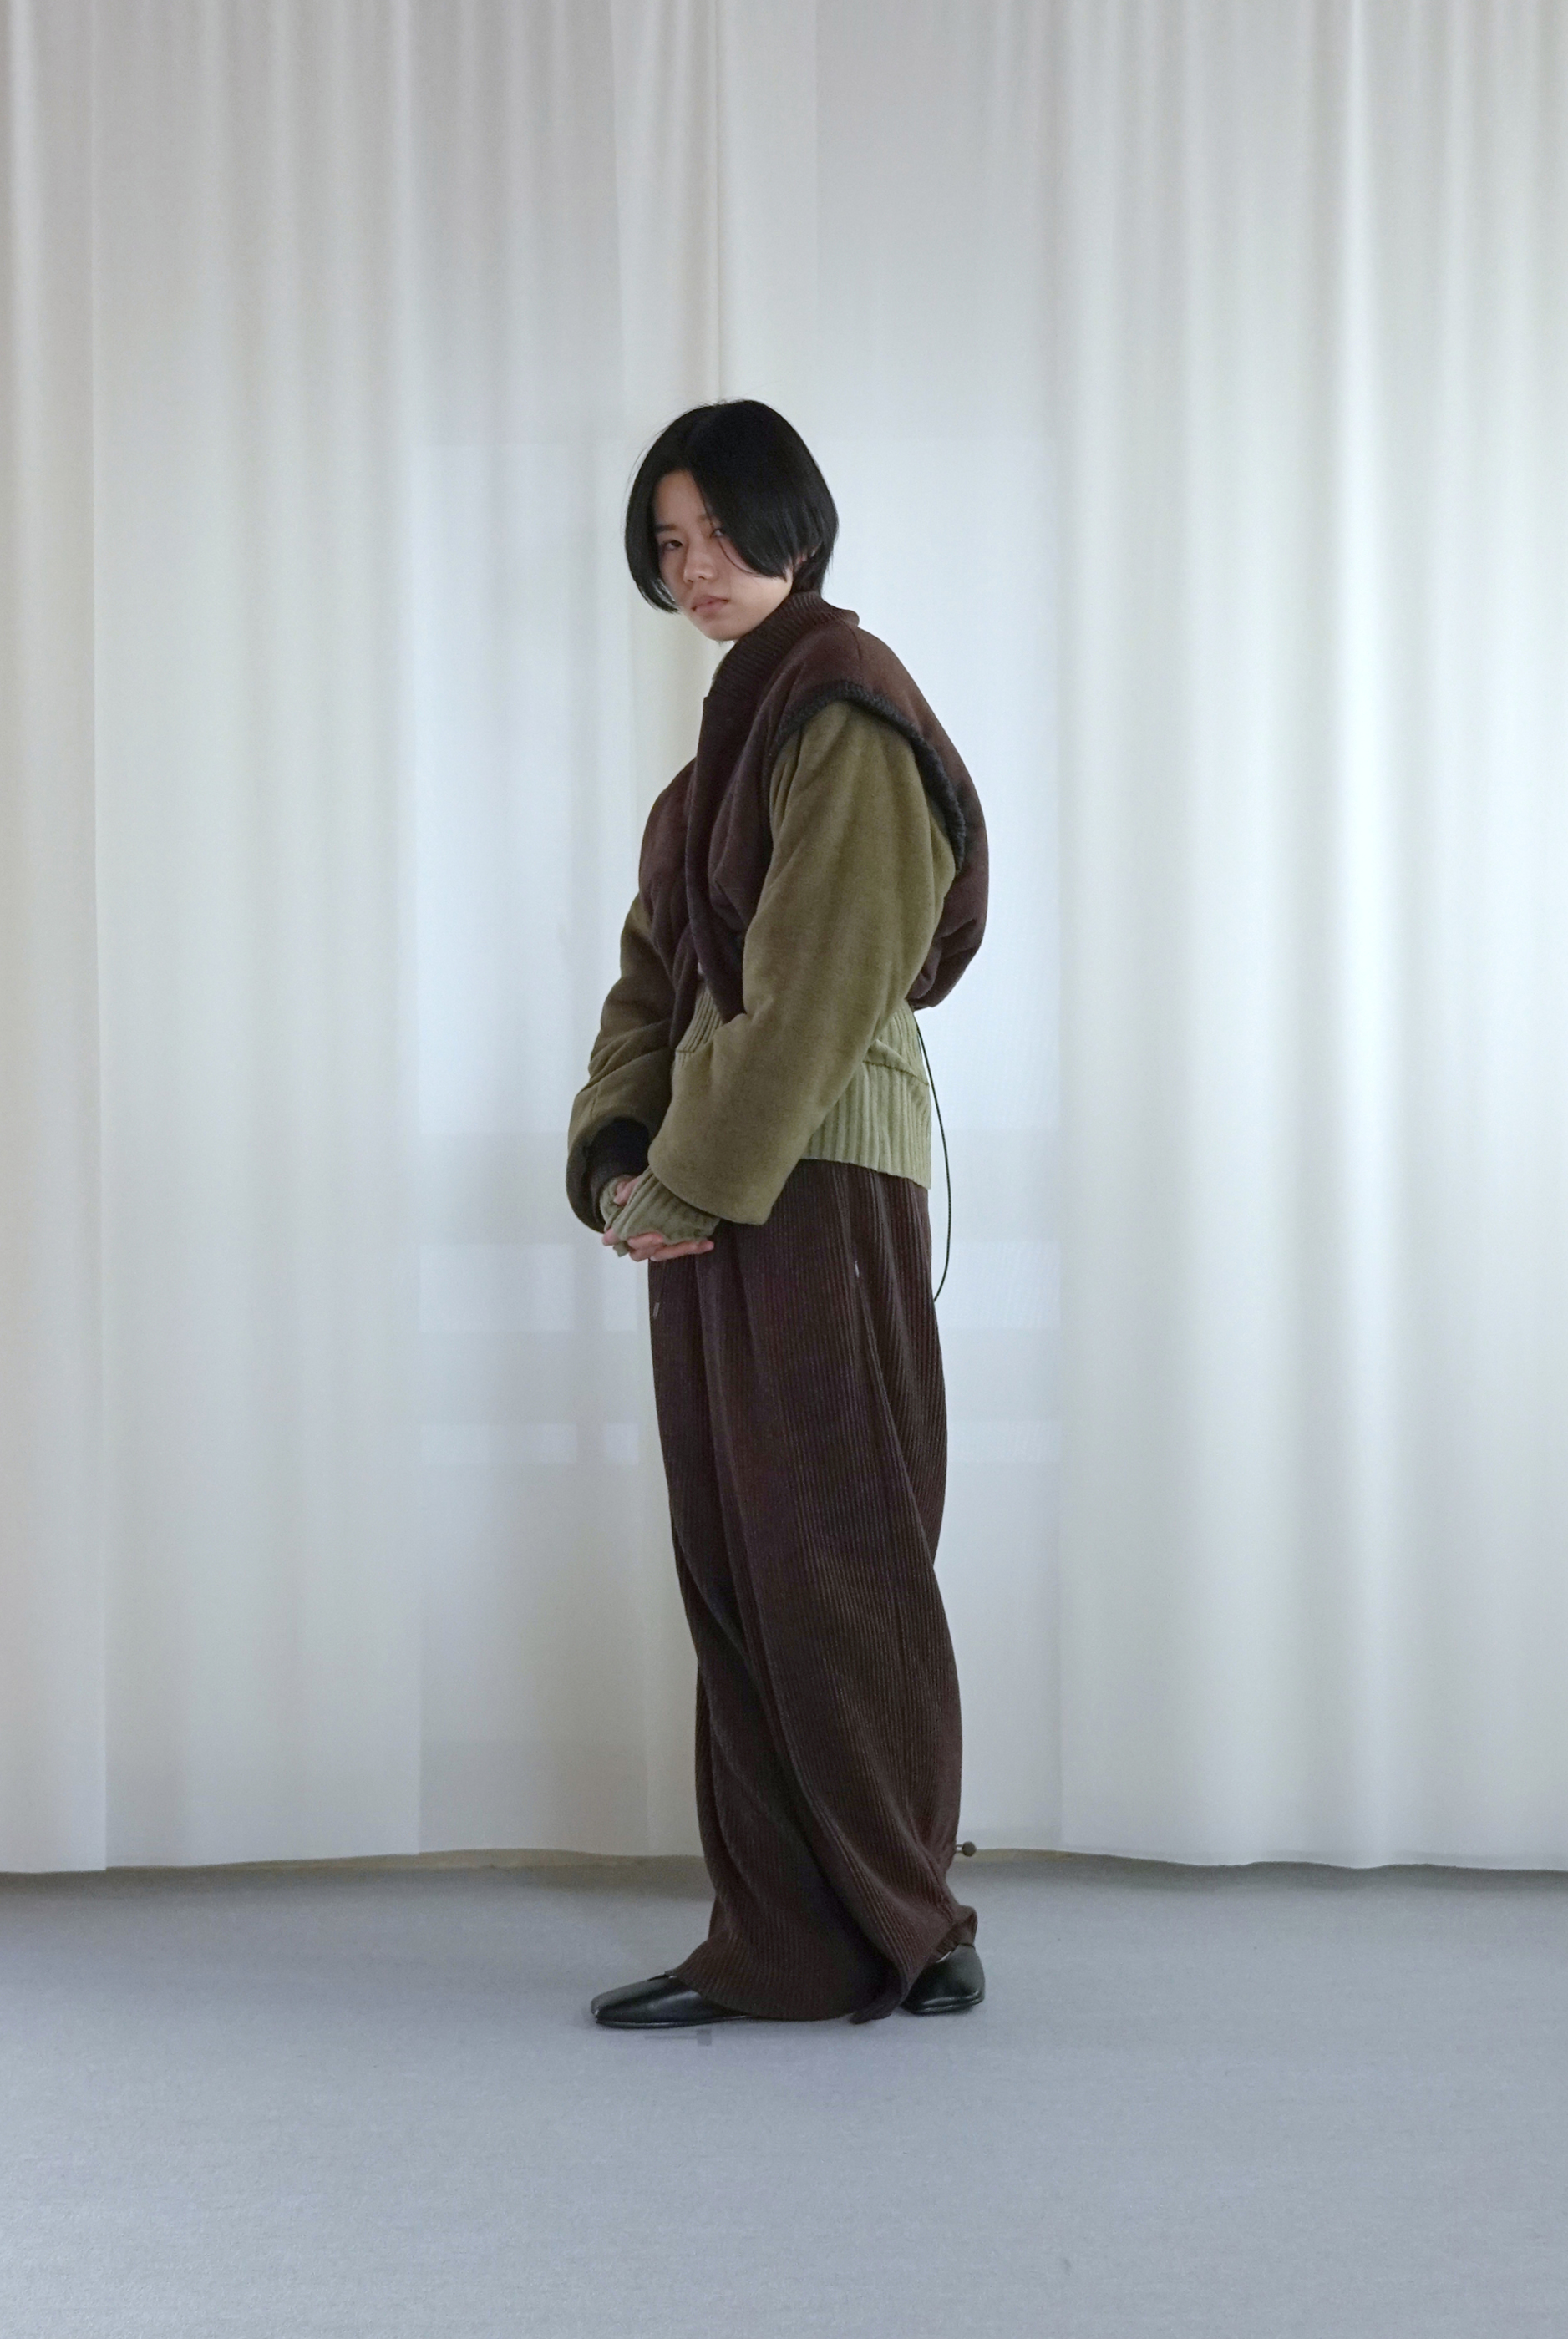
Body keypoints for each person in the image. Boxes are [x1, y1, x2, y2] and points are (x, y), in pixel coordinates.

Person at [565, 400, 989, 2027]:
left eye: (722, 532)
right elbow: (647, 992)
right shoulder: (703, 784)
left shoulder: (847, 709)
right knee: (740, 1564)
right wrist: (618, 1163)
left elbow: (819, 990)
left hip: (815, 1174)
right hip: (713, 1184)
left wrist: (683, 1179)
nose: (697, 568)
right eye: (669, 544)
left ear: (795, 526)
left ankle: (904, 1921)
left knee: (840, 1553)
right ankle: (790, 1929)